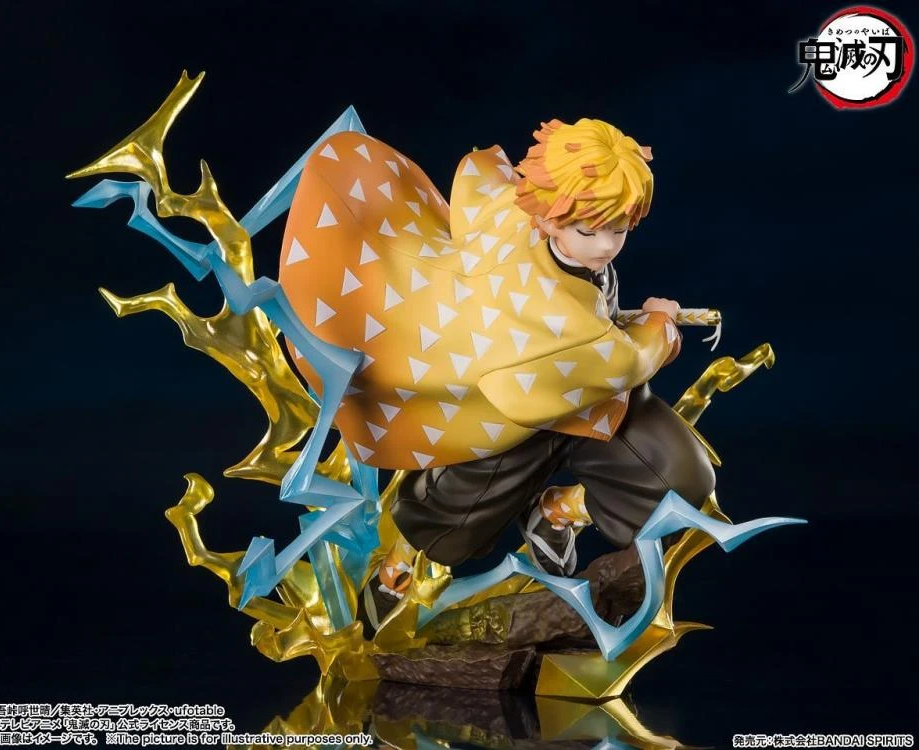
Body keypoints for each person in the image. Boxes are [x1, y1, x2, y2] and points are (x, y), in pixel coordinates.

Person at [276, 117, 714, 632]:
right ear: (549, 217)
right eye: (588, 231)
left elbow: (480, 176)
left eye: (618, 229)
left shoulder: (517, 210)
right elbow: (622, 360)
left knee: (679, 481)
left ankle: (558, 510)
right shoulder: (543, 300)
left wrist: (624, 325)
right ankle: (398, 566)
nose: (604, 246)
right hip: (504, 419)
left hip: (590, 404)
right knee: (449, 521)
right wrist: (660, 326)